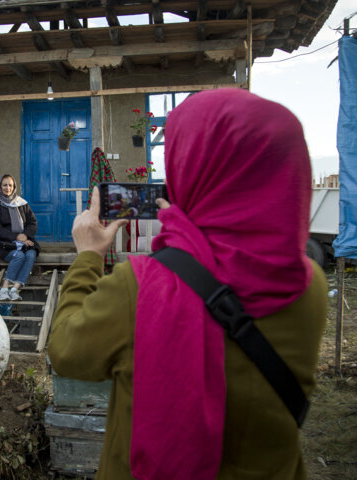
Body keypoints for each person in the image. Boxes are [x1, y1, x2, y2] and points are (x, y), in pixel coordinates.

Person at [48, 89, 326, 480]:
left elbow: (65, 351)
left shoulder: (140, 288)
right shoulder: (310, 288)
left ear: (195, 170)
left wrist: (88, 256)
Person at [0, 174, 40, 301]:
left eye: (10, 185)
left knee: (31, 254)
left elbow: (32, 222)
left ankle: (14, 289)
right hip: (7, 244)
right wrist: (16, 237)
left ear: (14, 187)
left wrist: (25, 235)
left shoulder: (22, 204)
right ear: (0, 187)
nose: (7, 188)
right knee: (19, 255)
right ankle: (4, 288)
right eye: (4, 185)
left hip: (25, 241)